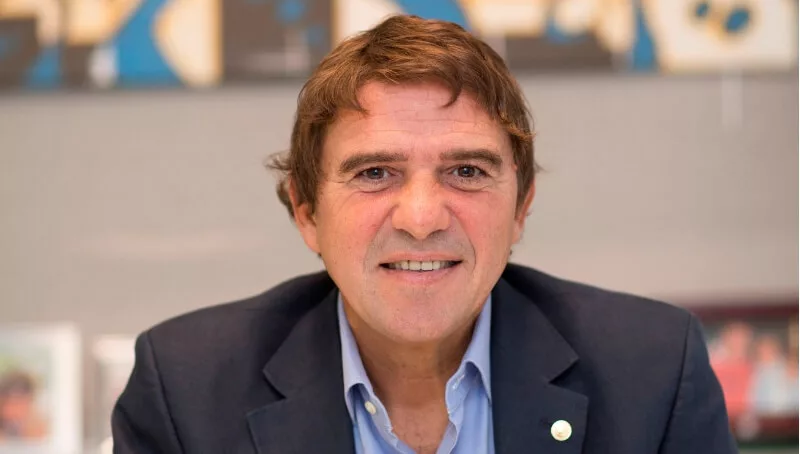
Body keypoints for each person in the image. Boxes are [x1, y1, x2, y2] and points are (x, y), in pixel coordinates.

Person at [111, 14, 737, 454]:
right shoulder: (186, 389)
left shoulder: (652, 370)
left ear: (521, 208)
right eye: (374, 173)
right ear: (306, 212)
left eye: (466, 172)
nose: (421, 217)